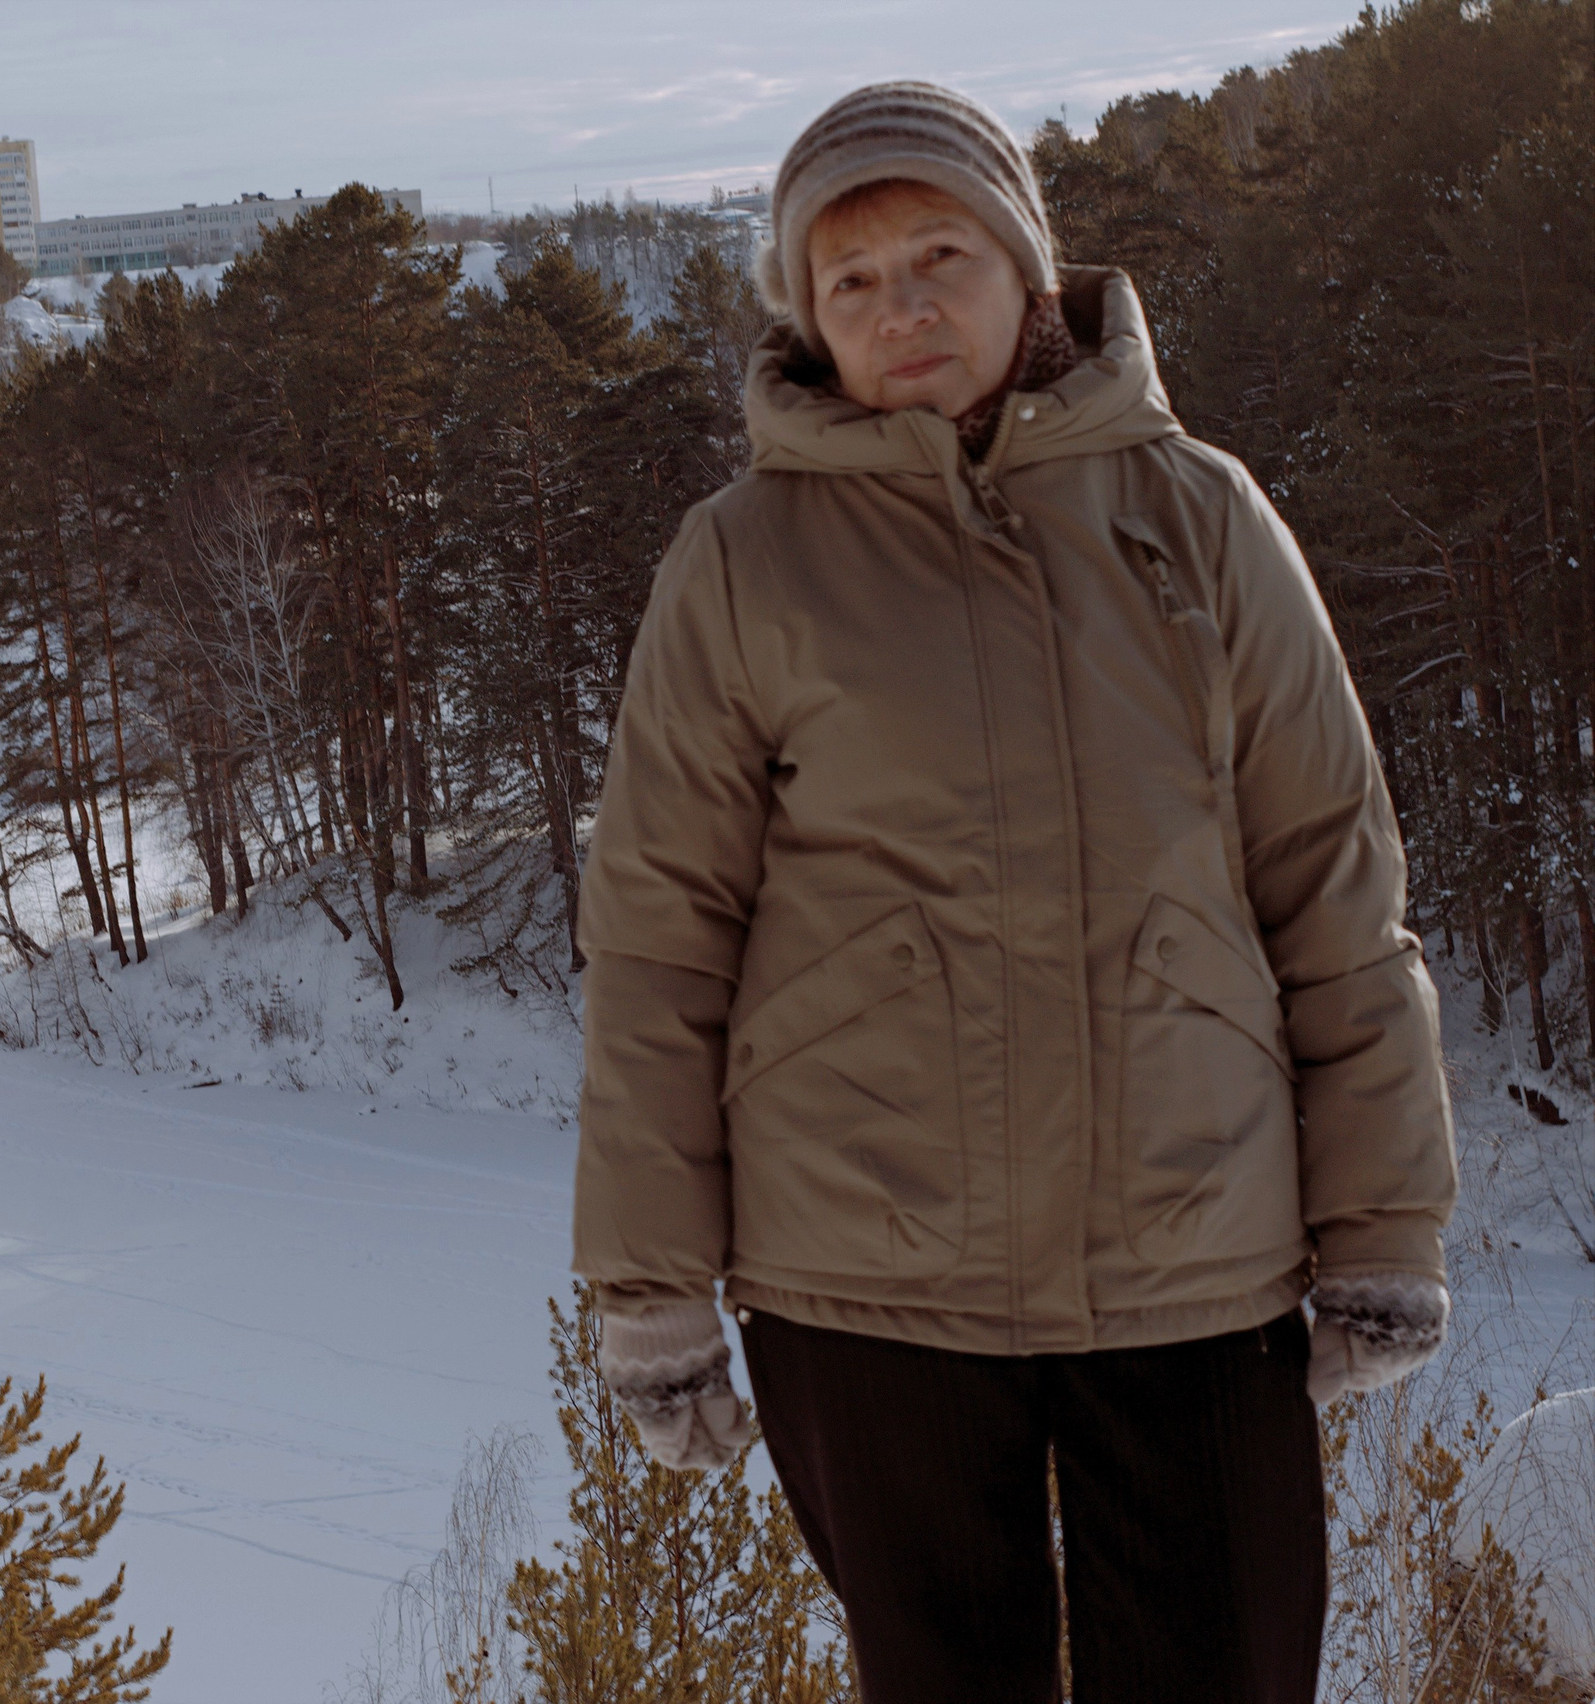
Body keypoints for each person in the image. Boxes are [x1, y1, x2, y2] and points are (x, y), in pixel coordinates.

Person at [572, 81, 1459, 1702]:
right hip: (867, 1267)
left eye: (938, 257)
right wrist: (648, 1286)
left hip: (1192, 1246)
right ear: (809, 322)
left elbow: (1333, 882)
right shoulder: (743, 560)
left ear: (1028, 273)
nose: (902, 306)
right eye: (851, 282)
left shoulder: (1201, 519)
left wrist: (1383, 1218)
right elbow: (656, 945)